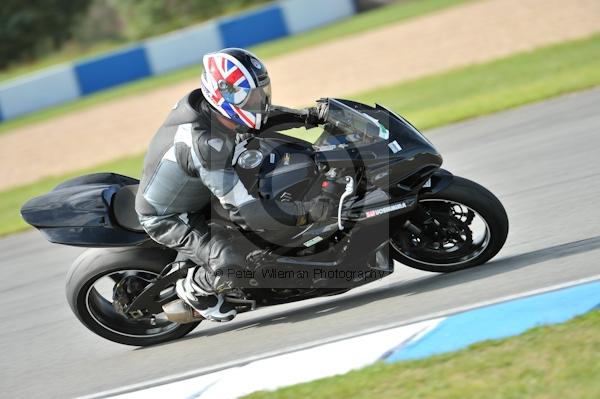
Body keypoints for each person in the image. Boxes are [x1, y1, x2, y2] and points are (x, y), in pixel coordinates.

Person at [135, 48, 333, 322]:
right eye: (251, 96)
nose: (259, 100)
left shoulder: (214, 109)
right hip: (170, 217)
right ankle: (195, 288)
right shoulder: (206, 144)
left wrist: (309, 116)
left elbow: (261, 117)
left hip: (201, 188)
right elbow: (246, 209)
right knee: (231, 264)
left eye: (259, 93)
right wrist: (306, 213)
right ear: (224, 95)